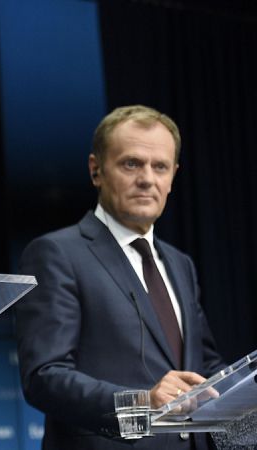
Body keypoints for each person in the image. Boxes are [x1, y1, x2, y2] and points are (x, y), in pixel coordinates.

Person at [15, 105, 226, 449]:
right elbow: (44, 377)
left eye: (160, 167)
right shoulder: (56, 254)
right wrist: (142, 403)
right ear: (96, 170)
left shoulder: (180, 264)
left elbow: (204, 365)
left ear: (173, 176)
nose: (147, 179)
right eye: (131, 164)